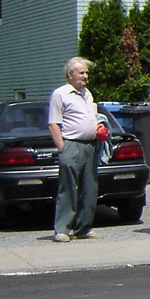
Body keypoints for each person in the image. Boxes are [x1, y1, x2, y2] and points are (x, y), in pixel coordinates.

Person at [46, 57, 103, 242]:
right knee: (68, 188)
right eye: (81, 73)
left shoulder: (87, 93)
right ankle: (62, 229)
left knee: (89, 188)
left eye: (86, 73)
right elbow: (54, 123)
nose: (85, 76)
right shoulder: (60, 94)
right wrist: (63, 148)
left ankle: (83, 228)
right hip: (71, 145)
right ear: (70, 74)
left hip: (90, 146)